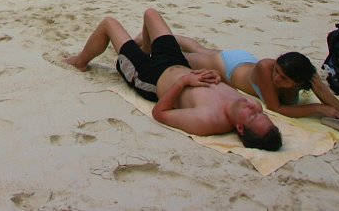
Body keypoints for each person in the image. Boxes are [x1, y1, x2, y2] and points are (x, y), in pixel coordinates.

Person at [64, 8, 281, 150]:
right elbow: (221, 82)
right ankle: (147, 48)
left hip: (150, 76)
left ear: (240, 129)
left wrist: (183, 83)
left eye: (252, 116)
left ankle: (80, 62)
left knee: (109, 24)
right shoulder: (243, 104)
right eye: (260, 113)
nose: (253, 107)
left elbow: (160, 113)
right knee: (151, 14)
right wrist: (218, 76)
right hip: (177, 62)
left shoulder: (207, 120)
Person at [175, 37, 339, 120]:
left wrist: (323, 92)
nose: (277, 78)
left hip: (242, 62)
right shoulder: (267, 68)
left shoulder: (305, 76)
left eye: (284, 78)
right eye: (277, 71)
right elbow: (275, 107)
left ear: (298, 83)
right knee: (183, 55)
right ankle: (159, 34)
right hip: (229, 67)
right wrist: (317, 107)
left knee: (200, 49)